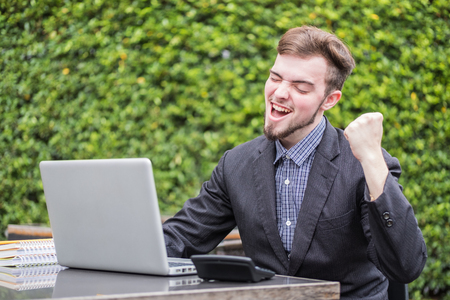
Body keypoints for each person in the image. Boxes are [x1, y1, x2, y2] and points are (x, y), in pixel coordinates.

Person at [162, 25, 427, 299]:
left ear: (329, 100)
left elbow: (406, 266)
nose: (279, 93)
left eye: (300, 87)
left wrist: (372, 159)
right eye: (275, 78)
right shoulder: (236, 164)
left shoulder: (365, 165)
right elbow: (180, 238)